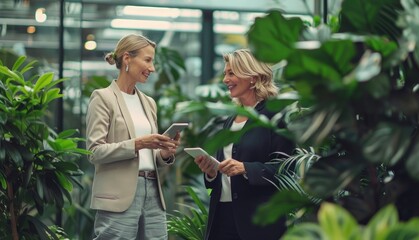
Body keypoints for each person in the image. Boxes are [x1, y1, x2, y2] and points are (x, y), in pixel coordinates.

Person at [86, 34, 180, 240]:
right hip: (118, 195)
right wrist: (138, 144)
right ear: (127, 59)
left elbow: (151, 156)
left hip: (153, 193)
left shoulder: (149, 102)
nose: (153, 67)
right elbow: (94, 152)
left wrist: (163, 153)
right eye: (147, 60)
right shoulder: (103, 98)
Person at [194, 49, 295, 240]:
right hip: (222, 216)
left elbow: (287, 169)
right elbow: (218, 177)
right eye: (225, 73)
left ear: (252, 77)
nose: (225, 79)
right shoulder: (230, 119)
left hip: (258, 220)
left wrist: (245, 168)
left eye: (231, 73)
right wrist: (211, 171)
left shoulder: (275, 115)